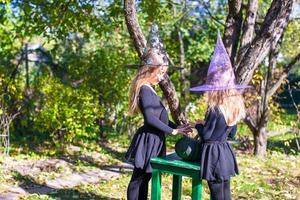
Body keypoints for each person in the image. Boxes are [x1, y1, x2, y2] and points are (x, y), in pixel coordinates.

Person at [190, 33, 252, 200]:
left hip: (213, 154)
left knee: (217, 195)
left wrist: (197, 125)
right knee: (225, 194)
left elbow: (207, 134)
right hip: (225, 152)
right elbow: (231, 134)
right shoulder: (233, 106)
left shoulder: (215, 108)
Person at [125, 48, 192, 200]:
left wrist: (177, 128)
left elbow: (160, 118)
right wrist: (172, 132)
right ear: (150, 70)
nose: (162, 78)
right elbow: (150, 118)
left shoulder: (150, 89)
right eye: (160, 73)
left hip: (155, 140)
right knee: (138, 179)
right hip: (148, 140)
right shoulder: (144, 90)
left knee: (146, 178)